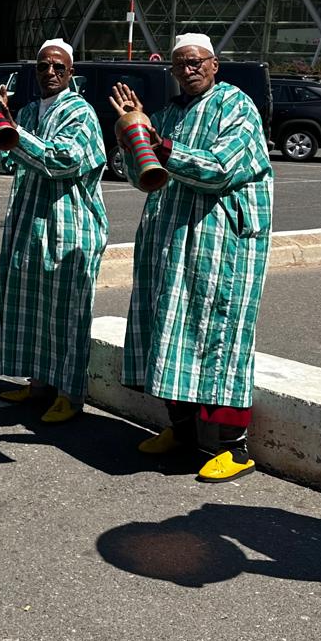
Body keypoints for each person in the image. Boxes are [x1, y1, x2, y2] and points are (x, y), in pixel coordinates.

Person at [109, 32, 273, 482]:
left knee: (218, 337)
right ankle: (181, 432)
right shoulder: (168, 114)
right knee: (169, 334)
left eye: (197, 61)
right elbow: (139, 176)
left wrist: (155, 142)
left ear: (215, 64)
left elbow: (220, 168)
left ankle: (235, 450)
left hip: (220, 245)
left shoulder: (236, 106)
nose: (189, 69)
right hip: (169, 242)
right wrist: (131, 134)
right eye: (180, 63)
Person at [0, 39, 108, 424]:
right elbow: (4, 160)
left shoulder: (81, 112)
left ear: (71, 72)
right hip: (32, 222)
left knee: (67, 312)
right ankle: (39, 383)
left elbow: (63, 160)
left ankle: (69, 394)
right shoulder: (32, 111)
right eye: (43, 67)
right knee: (34, 305)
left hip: (70, 226)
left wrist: (15, 134)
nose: (50, 74)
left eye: (58, 68)